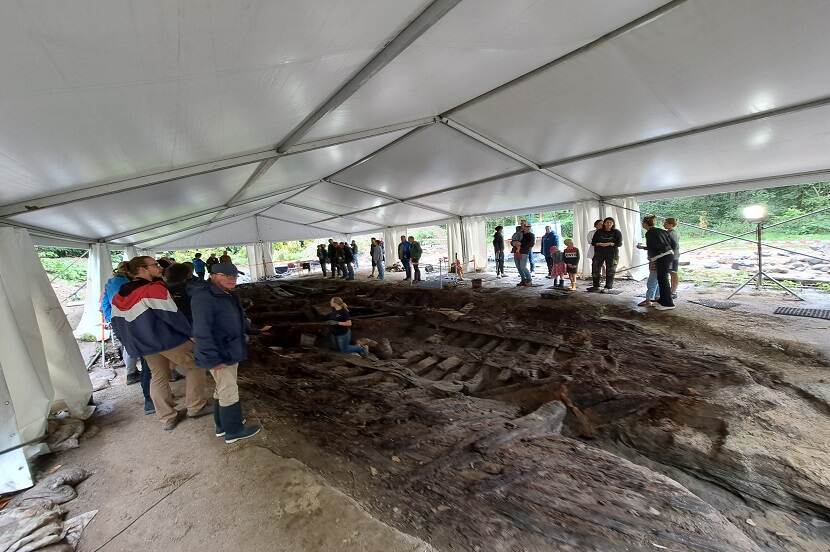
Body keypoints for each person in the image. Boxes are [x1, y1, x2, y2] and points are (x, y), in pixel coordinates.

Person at [111, 257, 210, 430]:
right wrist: (190, 333)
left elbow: (116, 323)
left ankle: (167, 417)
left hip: (145, 344)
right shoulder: (153, 289)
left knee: (158, 376)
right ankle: (196, 406)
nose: (159, 267)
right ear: (142, 269)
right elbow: (172, 315)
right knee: (197, 364)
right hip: (167, 340)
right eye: (154, 265)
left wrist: (129, 343)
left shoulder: (120, 294)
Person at [191, 262, 262, 443]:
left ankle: (222, 425)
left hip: (230, 349)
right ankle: (234, 430)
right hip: (220, 353)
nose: (232, 279)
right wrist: (212, 358)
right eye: (227, 276)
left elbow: (238, 319)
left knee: (222, 388)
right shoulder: (204, 297)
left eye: (235, 276)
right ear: (213, 276)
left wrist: (254, 330)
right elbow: (201, 331)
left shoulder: (226, 294)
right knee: (229, 389)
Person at [641, 215, 675, 310]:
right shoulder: (662, 231)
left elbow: (653, 246)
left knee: (663, 280)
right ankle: (661, 300)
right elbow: (673, 244)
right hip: (667, 255)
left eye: (642, 223)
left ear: (644, 224)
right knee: (661, 279)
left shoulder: (649, 233)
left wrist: (652, 258)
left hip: (662, 257)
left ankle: (668, 303)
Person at [588, 218, 622, 292]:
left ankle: (608, 287)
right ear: (604, 223)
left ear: (613, 223)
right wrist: (600, 244)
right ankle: (596, 286)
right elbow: (593, 242)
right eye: (607, 222)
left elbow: (619, 244)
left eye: (610, 222)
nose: (609, 224)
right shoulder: (599, 232)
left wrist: (609, 244)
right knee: (595, 268)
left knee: (610, 270)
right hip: (599, 253)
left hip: (612, 253)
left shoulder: (617, 232)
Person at [664, 217, 681, 299]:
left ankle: (673, 291)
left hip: (673, 256)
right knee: (670, 272)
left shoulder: (673, 233)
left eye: (665, 223)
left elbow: (673, 246)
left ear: (671, 224)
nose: (664, 224)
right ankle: (670, 290)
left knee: (673, 273)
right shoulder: (668, 232)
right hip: (669, 256)